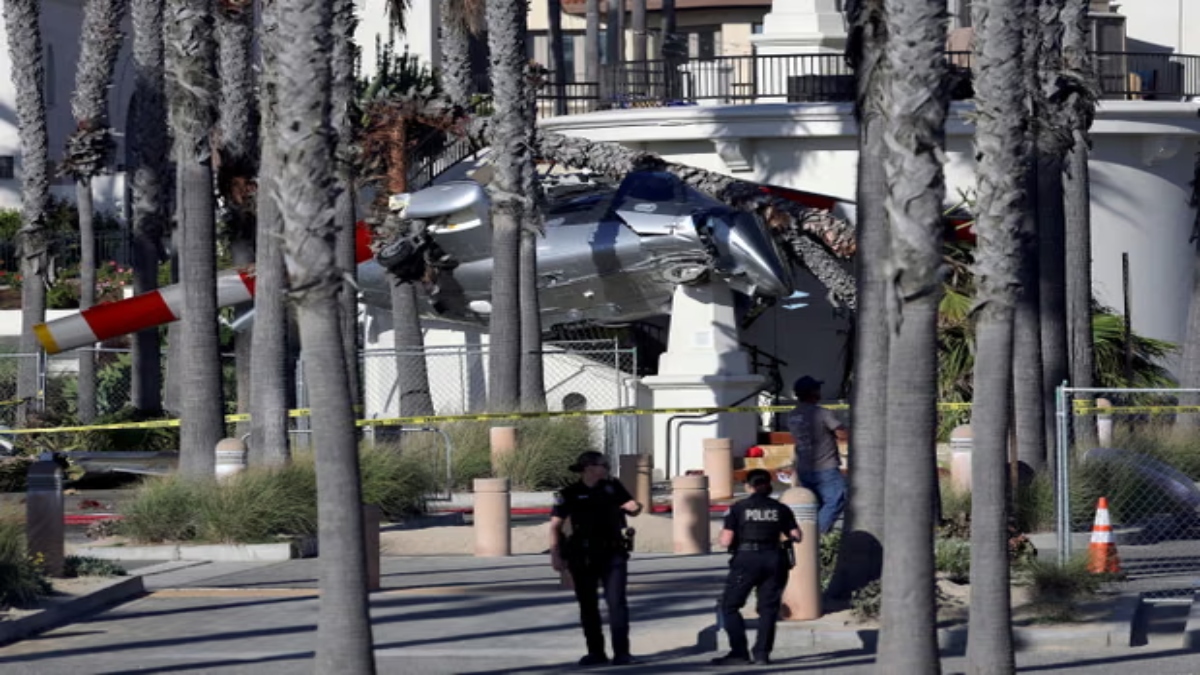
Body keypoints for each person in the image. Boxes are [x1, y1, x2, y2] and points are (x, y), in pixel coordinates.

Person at [549, 451, 643, 667]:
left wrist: (635, 507)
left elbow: (632, 507)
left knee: (616, 603)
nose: (607, 469)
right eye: (603, 465)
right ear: (589, 467)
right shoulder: (569, 493)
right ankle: (595, 652)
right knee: (588, 605)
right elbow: (555, 525)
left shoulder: (612, 487)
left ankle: (622, 653)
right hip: (581, 555)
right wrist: (555, 554)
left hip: (613, 553)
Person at [712, 468, 802, 667]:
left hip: (746, 559)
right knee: (768, 609)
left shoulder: (738, 508)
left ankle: (739, 652)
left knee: (730, 606)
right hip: (775, 559)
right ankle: (762, 654)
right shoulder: (781, 508)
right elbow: (797, 535)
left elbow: (726, 541)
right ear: (769, 486)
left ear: (748, 486)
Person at [786, 375, 849, 534]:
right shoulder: (822, 413)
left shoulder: (793, 415)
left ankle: (813, 536)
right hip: (825, 467)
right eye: (817, 388)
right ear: (812, 392)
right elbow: (842, 434)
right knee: (837, 499)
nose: (819, 391)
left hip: (804, 467)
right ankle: (818, 536)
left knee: (816, 503)